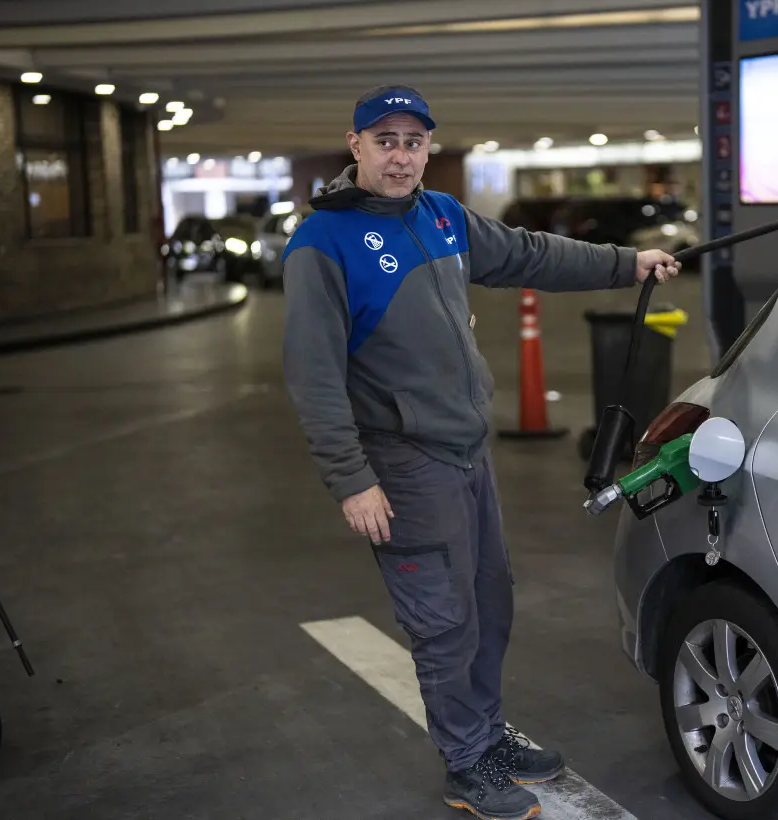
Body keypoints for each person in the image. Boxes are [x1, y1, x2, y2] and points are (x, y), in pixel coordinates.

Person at [279, 85, 680, 820]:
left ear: (430, 148)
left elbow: (531, 254)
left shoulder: (442, 216)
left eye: (413, 141)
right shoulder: (322, 244)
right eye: (385, 140)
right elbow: (313, 376)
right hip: (401, 459)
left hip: (466, 450)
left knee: (489, 604)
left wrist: (627, 265)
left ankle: (486, 735)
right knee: (442, 618)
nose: (400, 155)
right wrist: (352, 481)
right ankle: (466, 763)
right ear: (356, 145)